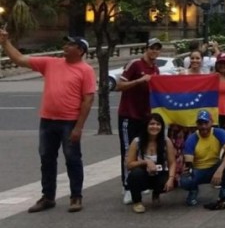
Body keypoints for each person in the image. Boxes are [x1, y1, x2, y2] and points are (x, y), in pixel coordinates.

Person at [0, 32, 95, 214]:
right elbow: (19, 59)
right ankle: (48, 197)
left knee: (73, 159)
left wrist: (79, 127)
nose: (65, 47)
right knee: (47, 159)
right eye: (65, 44)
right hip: (47, 120)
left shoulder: (86, 70)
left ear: (80, 50)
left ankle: (76, 196)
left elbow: (88, 100)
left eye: (70, 45)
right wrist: (5, 42)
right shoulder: (51, 63)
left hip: (69, 121)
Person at [117, 37, 162, 204]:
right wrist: (139, 81)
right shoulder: (135, 64)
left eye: (157, 49)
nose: (154, 52)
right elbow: (119, 86)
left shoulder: (156, 70)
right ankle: (127, 187)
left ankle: (138, 183)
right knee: (129, 151)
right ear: (146, 48)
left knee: (142, 151)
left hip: (145, 117)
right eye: (152, 48)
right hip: (129, 115)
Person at [179, 110, 225, 209]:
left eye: (206, 123)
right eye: (200, 123)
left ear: (211, 122)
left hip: (215, 168)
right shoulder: (191, 139)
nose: (203, 126)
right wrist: (186, 169)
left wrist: (220, 170)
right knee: (185, 180)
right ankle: (193, 190)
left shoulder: (219, 133)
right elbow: (188, 163)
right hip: (198, 171)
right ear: (197, 124)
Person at [125, 113, 176, 214]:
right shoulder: (137, 142)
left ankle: (156, 194)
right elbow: (129, 165)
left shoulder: (166, 141)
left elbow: (172, 163)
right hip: (143, 174)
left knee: (168, 180)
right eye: (151, 124)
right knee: (135, 175)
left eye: (158, 124)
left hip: (159, 173)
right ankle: (137, 201)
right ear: (146, 125)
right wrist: (146, 162)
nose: (155, 127)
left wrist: (171, 178)